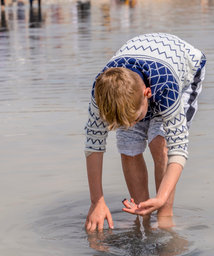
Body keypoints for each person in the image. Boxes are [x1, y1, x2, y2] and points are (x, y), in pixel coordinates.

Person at [84, 33, 206, 232]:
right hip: (140, 70)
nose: (131, 126)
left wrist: (161, 198)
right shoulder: (101, 95)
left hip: (183, 70)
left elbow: (179, 148)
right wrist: (96, 201)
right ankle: (143, 216)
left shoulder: (167, 87)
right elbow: (93, 146)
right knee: (128, 147)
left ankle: (165, 217)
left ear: (147, 94)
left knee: (160, 143)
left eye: (134, 119)